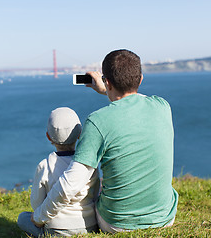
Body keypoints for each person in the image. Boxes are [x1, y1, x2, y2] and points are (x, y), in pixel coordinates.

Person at [31, 49, 178, 233]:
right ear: (140, 79)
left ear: (106, 81)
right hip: (164, 217)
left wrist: (38, 217)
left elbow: (71, 185)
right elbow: (135, 102)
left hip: (118, 224)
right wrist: (108, 91)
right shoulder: (163, 107)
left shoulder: (97, 121)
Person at [17, 107, 100, 237]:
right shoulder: (89, 164)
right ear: (79, 135)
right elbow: (95, 195)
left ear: (48, 136)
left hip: (57, 228)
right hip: (88, 225)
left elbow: (36, 204)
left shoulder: (44, 165)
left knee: (22, 218)